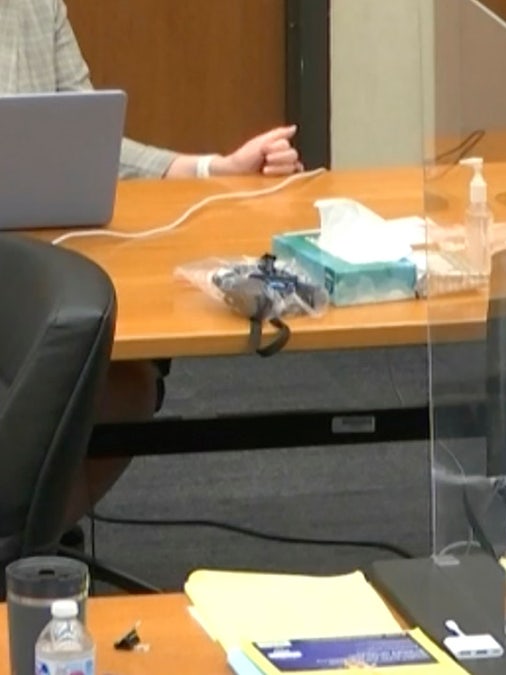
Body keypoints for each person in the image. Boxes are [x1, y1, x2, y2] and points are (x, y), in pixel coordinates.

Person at [1, 0, 304, 527]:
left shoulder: (36, 5)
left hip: (35, 269)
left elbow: (85, 138)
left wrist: (217, 168)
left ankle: (25, 554)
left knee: (130, 382)